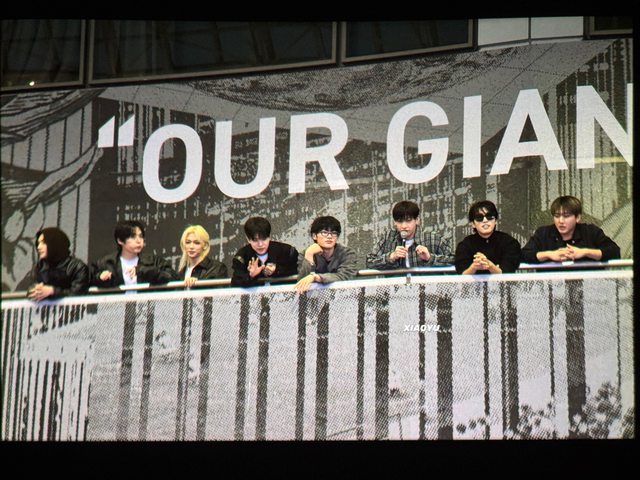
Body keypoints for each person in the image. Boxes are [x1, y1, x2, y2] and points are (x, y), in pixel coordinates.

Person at [521, 195, 621, 263]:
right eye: (557, 216)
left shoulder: (590, 232)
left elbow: (614, 252)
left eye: (566, 216)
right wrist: (549, 255)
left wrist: (585, 252)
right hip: (552, 286)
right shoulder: (543, 233)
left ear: (577, 217)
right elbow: (522, 255)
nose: (561, 221)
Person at [366, 200, 454, 269]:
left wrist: (430, 258)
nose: (404, 226)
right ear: (395, 222)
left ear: (417, 220)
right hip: (397, 286)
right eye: (399, 221)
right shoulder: (388, 238)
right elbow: (369, 262)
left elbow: (455, 261)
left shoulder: (434, 238)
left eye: (408, 221)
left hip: (425, 286)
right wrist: (391, 257)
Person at [91, 220, 176, 288]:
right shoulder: (106, 263)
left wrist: (144, 271)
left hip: (146, 304)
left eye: (141, 236)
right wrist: (100, 277)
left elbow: (172, 277)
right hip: (117, 304)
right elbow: (89, 280)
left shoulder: (154, 261)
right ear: (120, 240)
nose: (139, 241)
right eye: (132, 236)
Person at [454, 200, 521, 274]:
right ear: (473, 224)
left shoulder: (509, 243)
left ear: (495, 221)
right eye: (479, 218)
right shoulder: (465, 245)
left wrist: (489, 265)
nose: (485, 220)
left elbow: (507, 272)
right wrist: (474, 266)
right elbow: (462, 274)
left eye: (489, 217)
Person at [295, 215, 358, 293]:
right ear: (314, 236)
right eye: (324, 232)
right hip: (314, 297)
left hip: (342, 295)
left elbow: (345, 276)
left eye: (334, 233)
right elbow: (302, 282)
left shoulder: (347, 253)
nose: (329, 236)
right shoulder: (305, 253)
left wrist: (316, 277)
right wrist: (309, 255)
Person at [231, 217, 298, 287]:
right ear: (248, 239)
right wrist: (251, 275)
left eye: (264, 239)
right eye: (255, 240)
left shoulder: (287, 251)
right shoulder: (242, 257)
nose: (260, 244)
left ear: (269, 237)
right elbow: (235, 283)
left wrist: (277, 270)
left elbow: (299, 272)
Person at [27, 227, 90, 301]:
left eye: (43, 243)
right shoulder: (39, 266)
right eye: (38, 243)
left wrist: (53, 291)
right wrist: (36, 290)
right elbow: (31, 290)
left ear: (54, 244)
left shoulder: (77, 267)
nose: (38, 247)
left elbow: (78, 294)